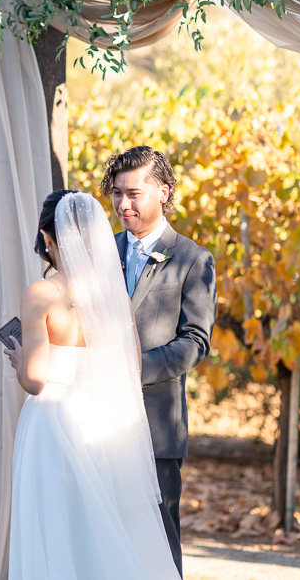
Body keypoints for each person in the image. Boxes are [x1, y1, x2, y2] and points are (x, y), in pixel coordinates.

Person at [5, 190, 180, 579]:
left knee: (58, 523)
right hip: (103, 417)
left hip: (54, 422)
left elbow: (34, 380)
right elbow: (132, 363)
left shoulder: (41, 294)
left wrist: (19, 362)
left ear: (47, 237)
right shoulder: (114, 294)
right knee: (107, 520)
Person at [103, 145, 216, 574]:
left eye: (133, 193)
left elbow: (195, 342)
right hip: (94, 420)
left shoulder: (193, 259)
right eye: (116, 193)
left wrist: (135, 369)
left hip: (156, 423)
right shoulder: (99, 252)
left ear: (163, 191)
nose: (122, 203)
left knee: (157, 537)